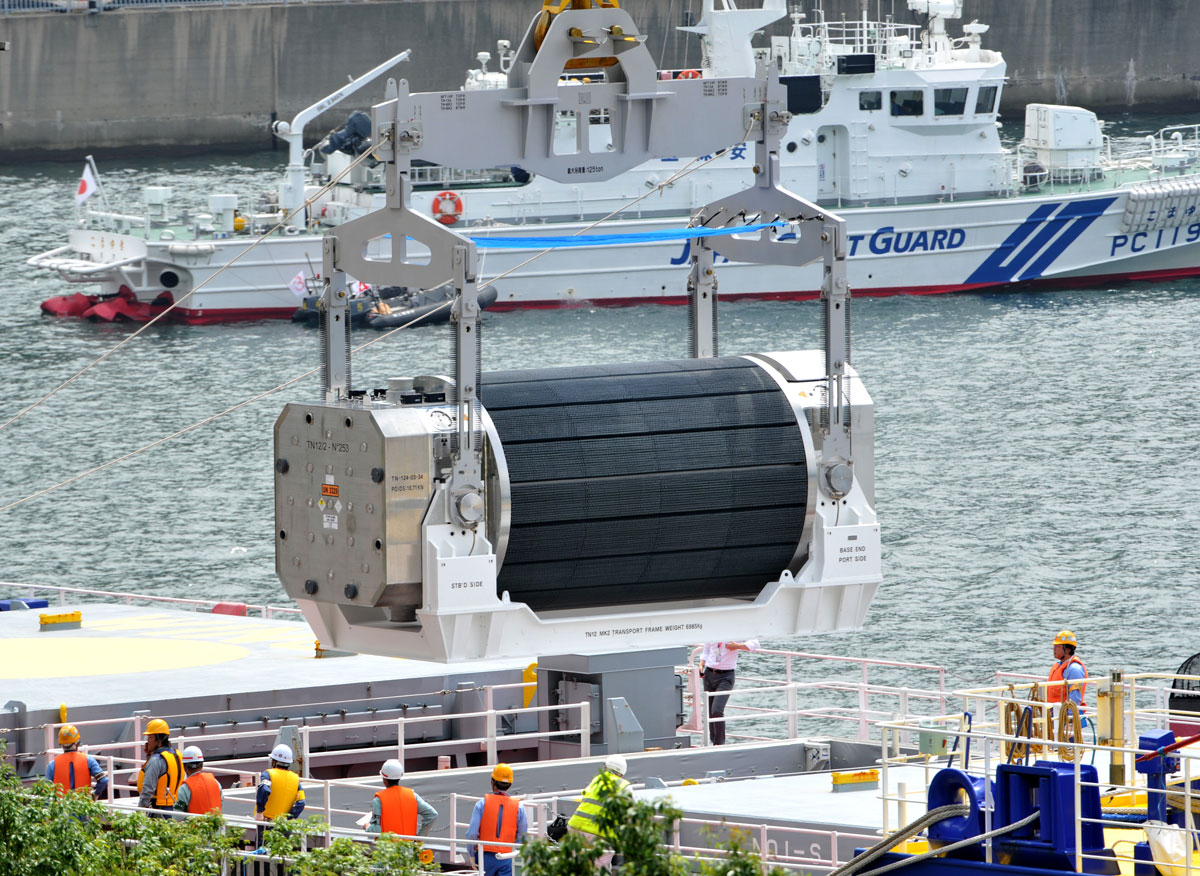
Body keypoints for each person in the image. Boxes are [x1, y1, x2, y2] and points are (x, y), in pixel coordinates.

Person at [567, 754, 631, 871]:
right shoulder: (623, 786)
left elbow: (586, 798)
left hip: (576, 827)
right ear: (622, 773)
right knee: (600, 870)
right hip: (600, 835)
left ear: (606, 767)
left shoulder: (597, 779)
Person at [465, 763, 527, 876]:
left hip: (484, 856)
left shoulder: (481, 804)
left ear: (492, 782)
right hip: (507, 857)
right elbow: (522, 836)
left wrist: (471, 855)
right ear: (510, 784)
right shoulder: (519, 807)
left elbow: (472, 833)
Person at [699, 639, 760, 745]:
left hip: (726, 676)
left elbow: (755, 644)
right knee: (709, 711)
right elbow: (706, 650)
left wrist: (737, 646)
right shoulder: (712, 629)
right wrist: (701, 664)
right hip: (709, 673)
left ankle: (719, 744)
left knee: (716, 710)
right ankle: (713, 741)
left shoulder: (735, 631)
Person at [368, 758, 437, 837]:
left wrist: (367, 827)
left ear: (384, 780)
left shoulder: (378, 800)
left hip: (388, 848)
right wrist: (419, 838)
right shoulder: (412, 795)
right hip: (409, 847)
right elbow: (432, 815)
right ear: (400, 777)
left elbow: (376, 830)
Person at [255, 744, 305, 845]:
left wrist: (260, 811)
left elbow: (264, 790)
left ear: (274, 761)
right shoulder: (296, 779)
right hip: (284, 825)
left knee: (262, 853)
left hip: (267, 822)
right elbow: (301, 802)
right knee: (281, 853)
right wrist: (289, 817)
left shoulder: (268, 774)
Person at [46, 724, 109, 799]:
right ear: (78, 743)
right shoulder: (89, 760)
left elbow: (46, 788)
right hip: (83, 806)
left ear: (61, 744)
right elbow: (103, 780)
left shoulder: (53, 764)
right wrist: (95, 794)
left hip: (61, 807)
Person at [137, 718, 183, 814]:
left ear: (160, 739)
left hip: (158, 809)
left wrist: (140, 810)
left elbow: (148, 788)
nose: (147, 741)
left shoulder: (156, 759)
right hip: (174, 806)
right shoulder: (177, 754)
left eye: (150, 737)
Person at [173, 745, 222, 814]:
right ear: (201, 765)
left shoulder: (184, 788)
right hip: (216, 823)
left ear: (184, 767)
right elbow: (221, 802)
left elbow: (178, 816)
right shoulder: (216, 782)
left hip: (195, 824)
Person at [1048, 629, 1088, 711]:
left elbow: (1075, 698)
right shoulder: (1058, 665)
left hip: (1065, 717)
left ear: (1068, 649)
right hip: (1054, 714)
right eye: (1054, 646)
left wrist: (1069, 718)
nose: (1054, 649)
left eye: (1058, 646)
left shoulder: (1074, 669)